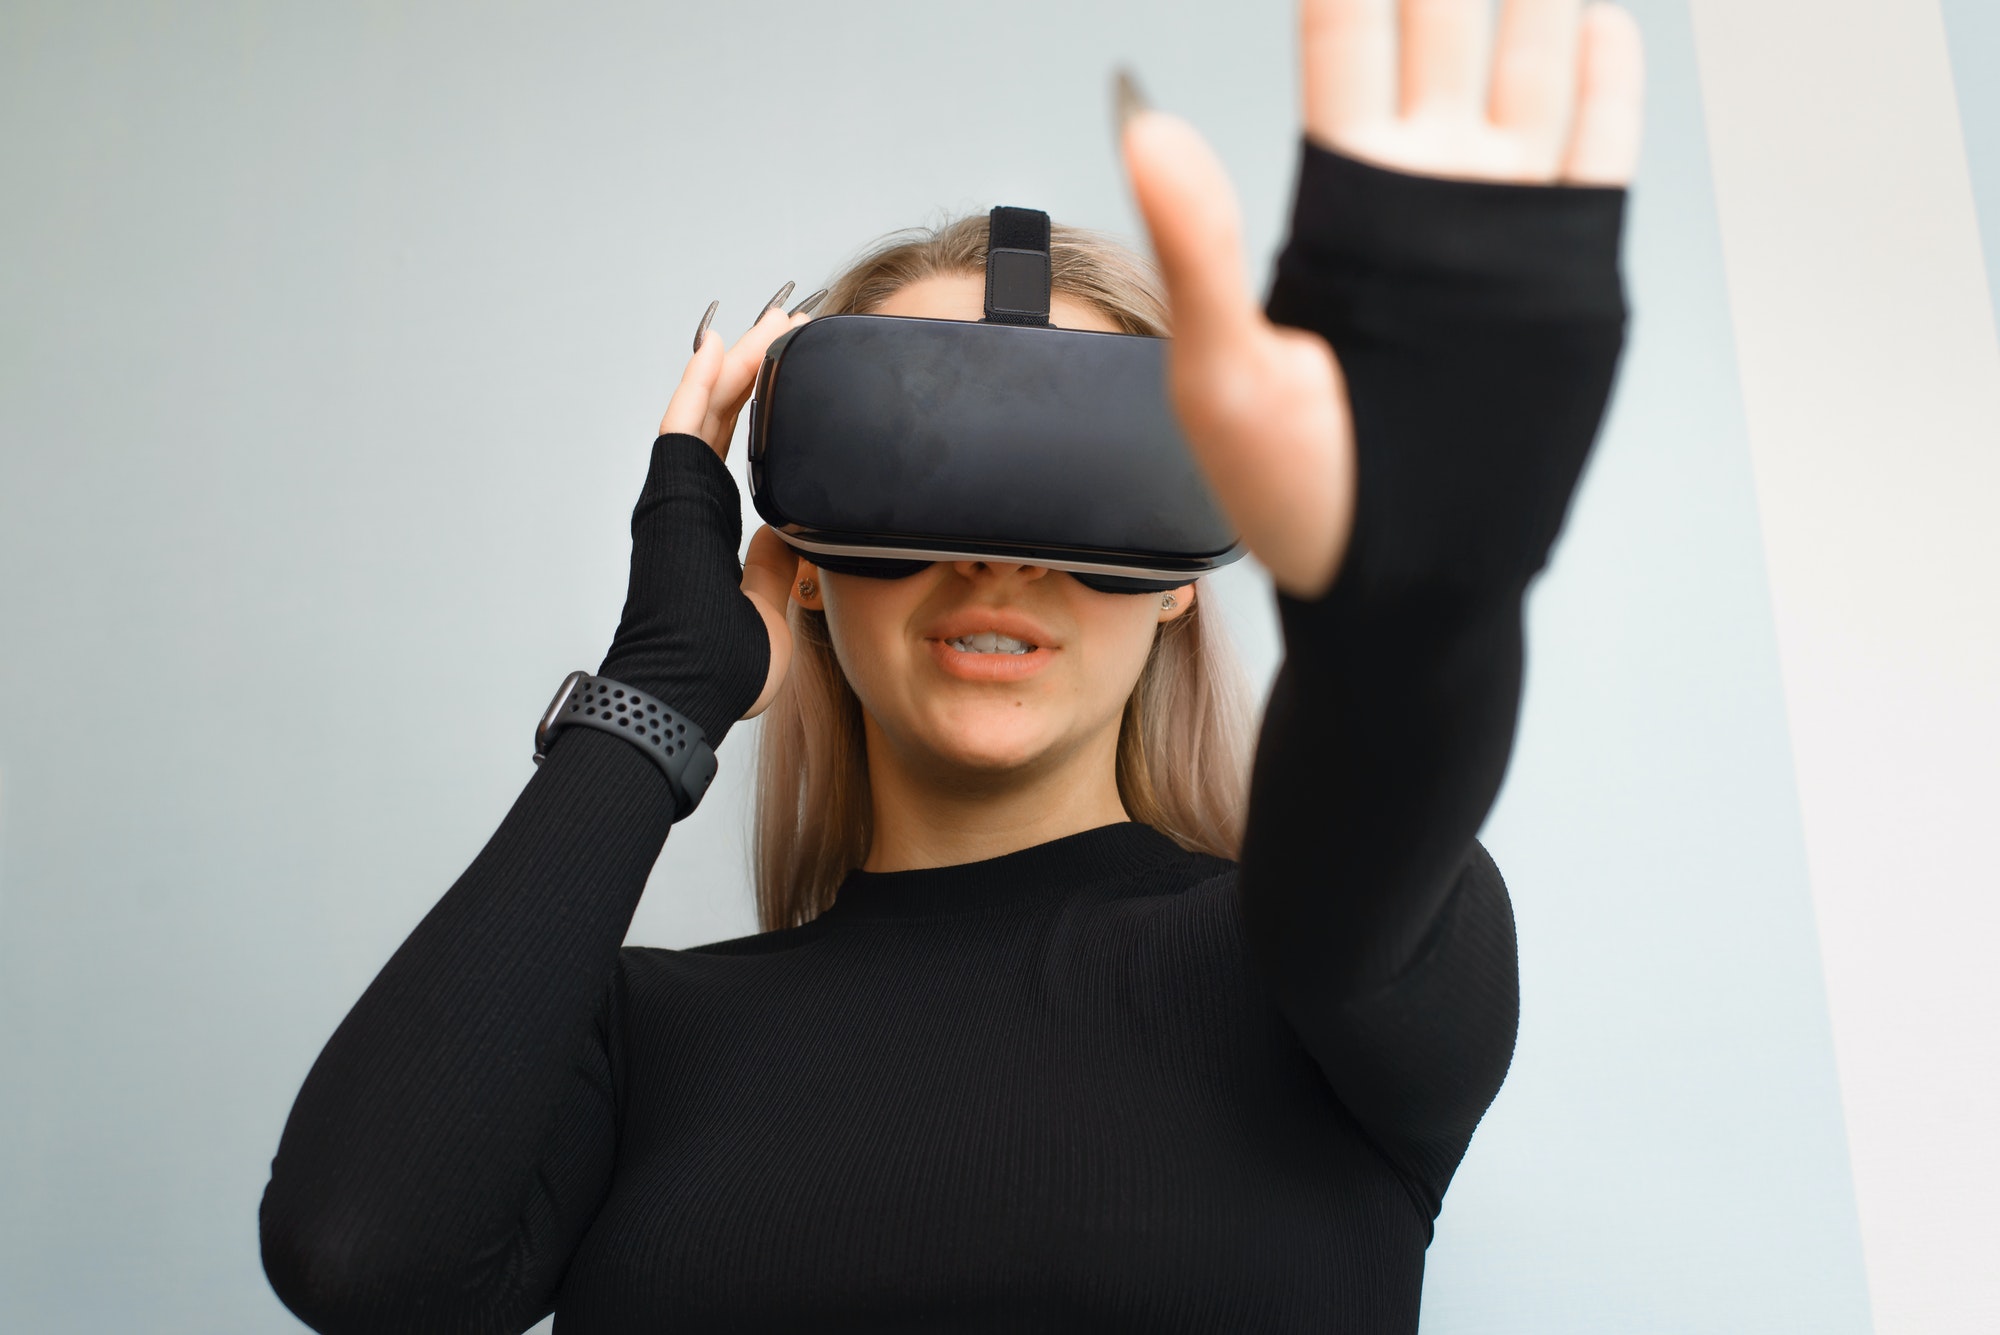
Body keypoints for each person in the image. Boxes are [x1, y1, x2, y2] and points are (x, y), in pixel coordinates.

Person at [259, 1, 1645, 1330]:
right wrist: (662, 690)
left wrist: (1418, 582)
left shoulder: (1315, 971)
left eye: (1085, 489)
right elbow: (366, 1255)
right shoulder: (646, 1040)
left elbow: (1370, 815)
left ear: (1175, 583)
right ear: (804, 561)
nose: (1000, 561)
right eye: (918, 469)